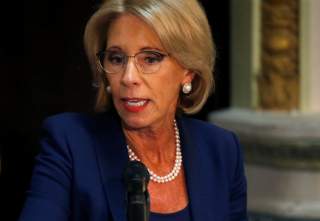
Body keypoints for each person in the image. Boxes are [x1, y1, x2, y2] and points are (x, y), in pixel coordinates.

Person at [19, 0, 247, 220]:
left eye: (150, 59)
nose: (128, 78)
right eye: (116, 59)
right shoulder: (69, 144)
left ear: (188, 71)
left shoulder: (221, 150)